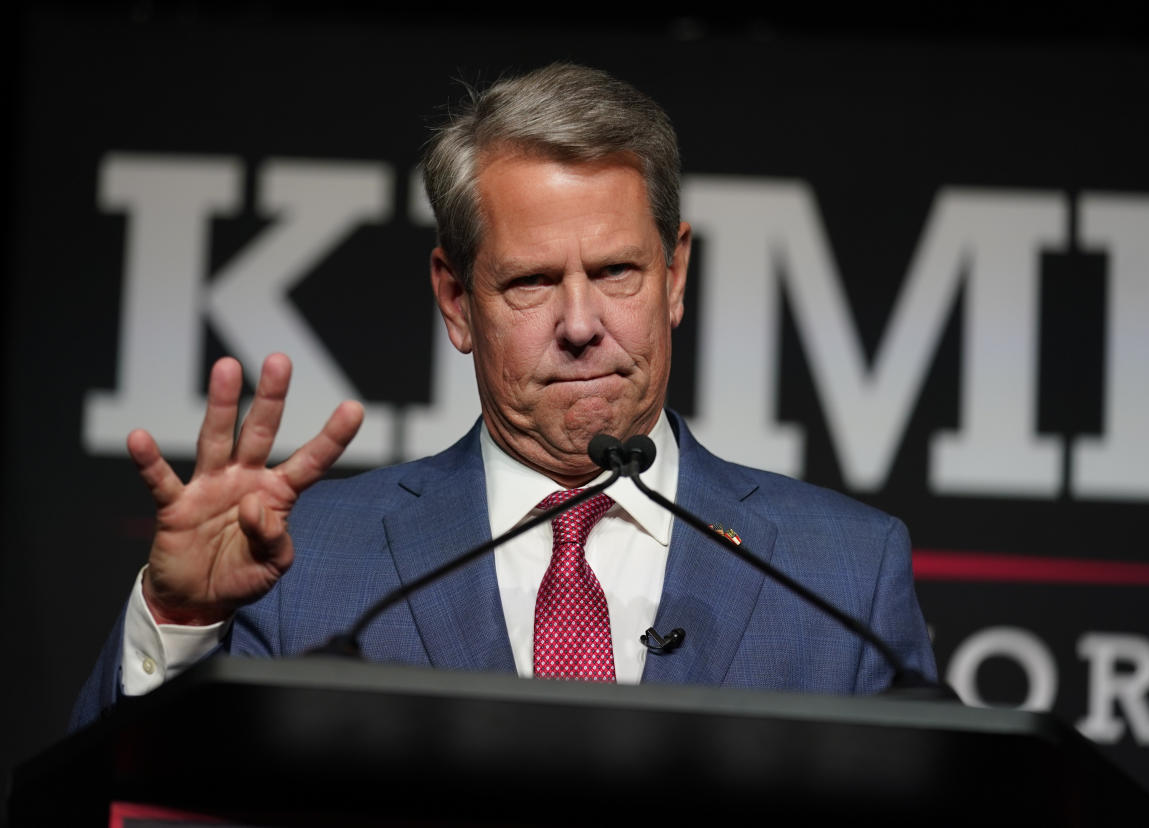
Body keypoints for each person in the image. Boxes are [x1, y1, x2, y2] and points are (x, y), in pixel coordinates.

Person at [72, 63, 935, 727]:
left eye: (617, 272)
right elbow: (122, 807)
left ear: (675, 275)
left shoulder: (844, 574)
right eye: (529, 282)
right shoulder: (301, 566)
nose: (581, 322)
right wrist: (180, 617)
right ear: (456, 300)